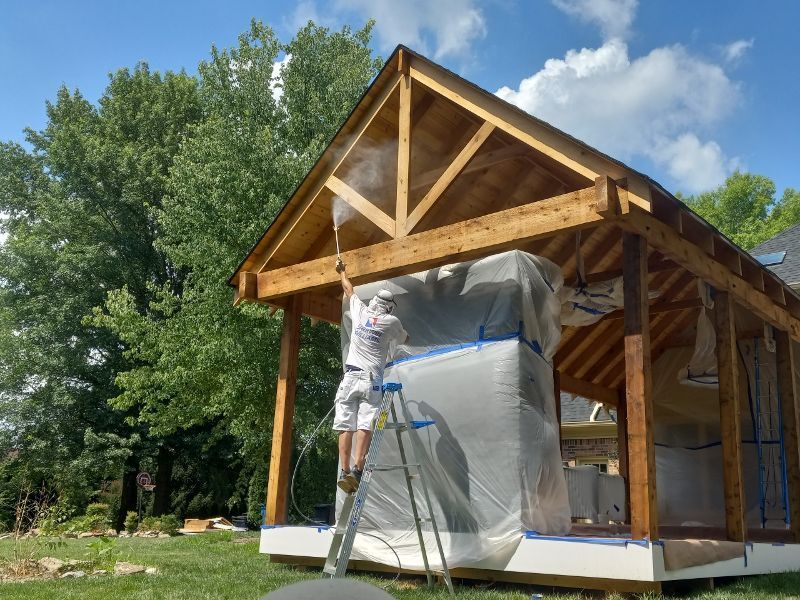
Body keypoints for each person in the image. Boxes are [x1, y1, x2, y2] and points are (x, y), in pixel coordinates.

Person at [333, 258, 408, 493]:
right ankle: (357, 469)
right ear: (389, 307)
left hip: (350, 377)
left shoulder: (360, 311)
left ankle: (344, 471)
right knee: (365, 424)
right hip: (371, 381)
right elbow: (405, 338)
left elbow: (348, 289)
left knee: (346, 426)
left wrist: (342, 271)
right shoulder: (391, 322)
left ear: (374, 301)